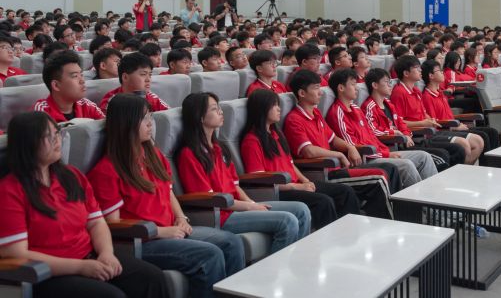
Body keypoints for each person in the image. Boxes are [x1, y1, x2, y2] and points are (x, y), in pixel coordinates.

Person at [87, 94, 245, 298]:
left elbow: (168, 192)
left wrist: (181, 218)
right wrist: (160, 232)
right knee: (209, 254)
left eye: (150, 117)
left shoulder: (153, 155)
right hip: (144, 241)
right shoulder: (107, 170)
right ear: (126, 123)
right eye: (144, 118)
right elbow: (114, 224)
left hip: (172, 229)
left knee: (231, 242)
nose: (150, 124)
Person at [0, 112, 169, 298]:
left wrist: (106, 253)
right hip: (48, 274)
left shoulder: (71, 176)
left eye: (57, 133)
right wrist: (80, 267)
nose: (57, 140)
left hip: (89, 255)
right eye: (48, 136)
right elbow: (16, 253)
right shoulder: (10, 191)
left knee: (152, 278)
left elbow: (96, 223)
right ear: (27, 143)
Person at [177, 93, 310, 253]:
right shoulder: (189, 154)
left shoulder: (219, 148)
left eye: (219, 108)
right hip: (221, 214)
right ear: (200, 117)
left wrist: (252, 203)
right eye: (214, 109)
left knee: (301, 210)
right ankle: (277, 266)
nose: (220, 112)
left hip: (237, 207)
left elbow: (235, 186)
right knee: (287, 221)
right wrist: (249, 207)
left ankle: (297, 260)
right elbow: (212, 199)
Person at [283, 69, 399, 219]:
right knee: (378, 178)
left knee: (389, 168)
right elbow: (308, 151)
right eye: (316, 88)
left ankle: (380, 217)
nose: (321, 92)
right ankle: (386, 222)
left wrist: (349, 147)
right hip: (322, 171)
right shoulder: (294, 119)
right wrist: (338, 154)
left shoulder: (316, 114)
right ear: (302, 93)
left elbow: (333, 139)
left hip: (337, 167)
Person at [241, 89, 360, 229]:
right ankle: (331, 239)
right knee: (323, 202)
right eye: (274, 105)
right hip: (278, 191)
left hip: (295, 184)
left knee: (345, 192)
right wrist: (298, 186)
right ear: (261, 109)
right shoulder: (252, 141)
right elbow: (259, 180)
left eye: (278, 105)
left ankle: (351, 232)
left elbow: (290, 164)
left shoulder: (276, 135)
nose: (279, 109)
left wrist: (305, 180)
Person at [326, 68, 437, 187]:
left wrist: (386, 152)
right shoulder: (337, 112)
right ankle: (417, 197)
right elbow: (352, 145)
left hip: (379, 153)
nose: (357, 88)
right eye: (353, 84)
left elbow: (371, 136)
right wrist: (386, 154)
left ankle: (433, 192)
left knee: (424, 157)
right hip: (365, 158)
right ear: (341, 88)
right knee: (406, 165)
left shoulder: (356, 108)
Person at [390, 55, 470, 166]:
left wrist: (430, 120)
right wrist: (423, 123)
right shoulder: (399, 93)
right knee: (456, 150)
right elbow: (398, 122)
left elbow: (424, 114)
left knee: (468, 144)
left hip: (428, 132)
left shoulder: (416, 91)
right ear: (406, 73)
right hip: (416, 137)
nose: (420, 70)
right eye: (417, 68)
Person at [421, 59, 499, 163]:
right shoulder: (427, 97)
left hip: (453, 125)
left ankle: (493, 167)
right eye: (439, 71)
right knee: (482, 137)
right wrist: (454, 126)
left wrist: (458, 123)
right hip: (445, 130)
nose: (442, 72)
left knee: (492, 132)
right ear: (431, 76)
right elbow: (434, 123)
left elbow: (449, 115)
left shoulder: (440, 93)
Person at [33, 51, 105, 122]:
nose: (82, 81)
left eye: (81, 75)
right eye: (75, 76)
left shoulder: (86, 105)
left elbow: (106, 125)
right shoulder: (41, 113)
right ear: (56, 85)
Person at [99, 53, 169, 113]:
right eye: (143, 74)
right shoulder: (111, 101)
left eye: (150, 75)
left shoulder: (150, 97)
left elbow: (168, 115)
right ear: (125, 77)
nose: (148, 80)